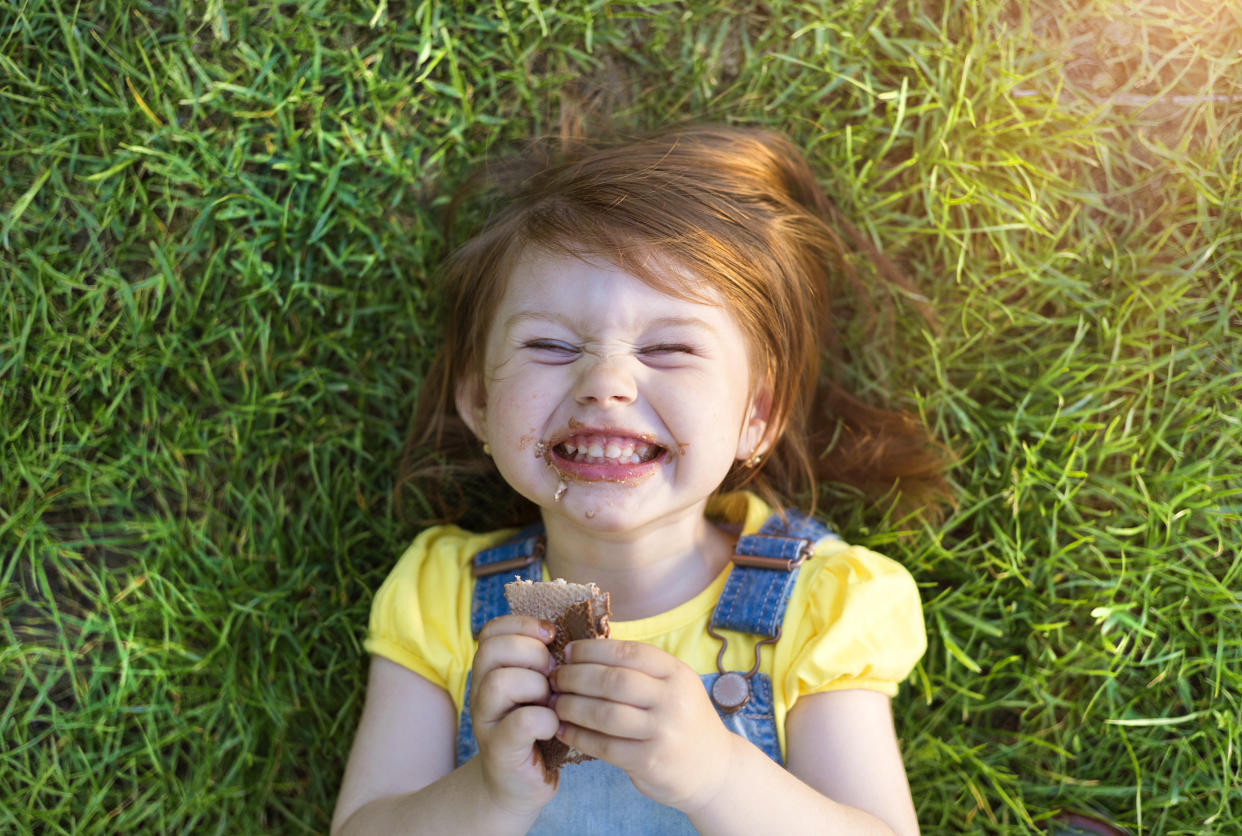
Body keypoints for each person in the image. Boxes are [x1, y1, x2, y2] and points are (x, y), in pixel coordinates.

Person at [331, 125, 952, 836]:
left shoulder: (816, 606)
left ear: (759, 413)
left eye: (669, 348)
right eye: (551, 345)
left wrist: (717, 774)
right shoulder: (443, 597)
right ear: (477, 400)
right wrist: (490, 792)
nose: (606, 383)